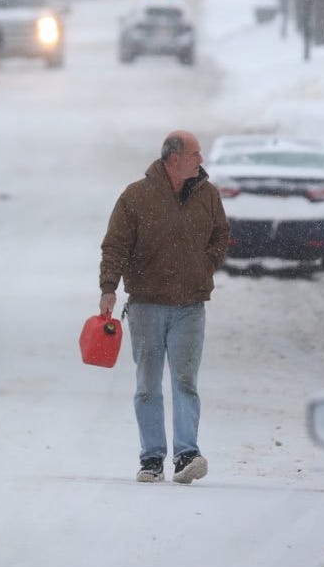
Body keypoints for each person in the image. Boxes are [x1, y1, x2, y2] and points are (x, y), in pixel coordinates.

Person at [98, 130, 230, 484]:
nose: (200, 160)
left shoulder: (208, 195)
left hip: (190, 306)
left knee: (185, 381)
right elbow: (115, 245)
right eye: (195, 154)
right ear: (174, 159)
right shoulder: (136, 197)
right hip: (146, 306)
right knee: (147, 384)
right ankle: (152, 458)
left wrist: (206, 264)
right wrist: (109, 288)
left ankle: (186, 453)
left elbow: (222, 233)